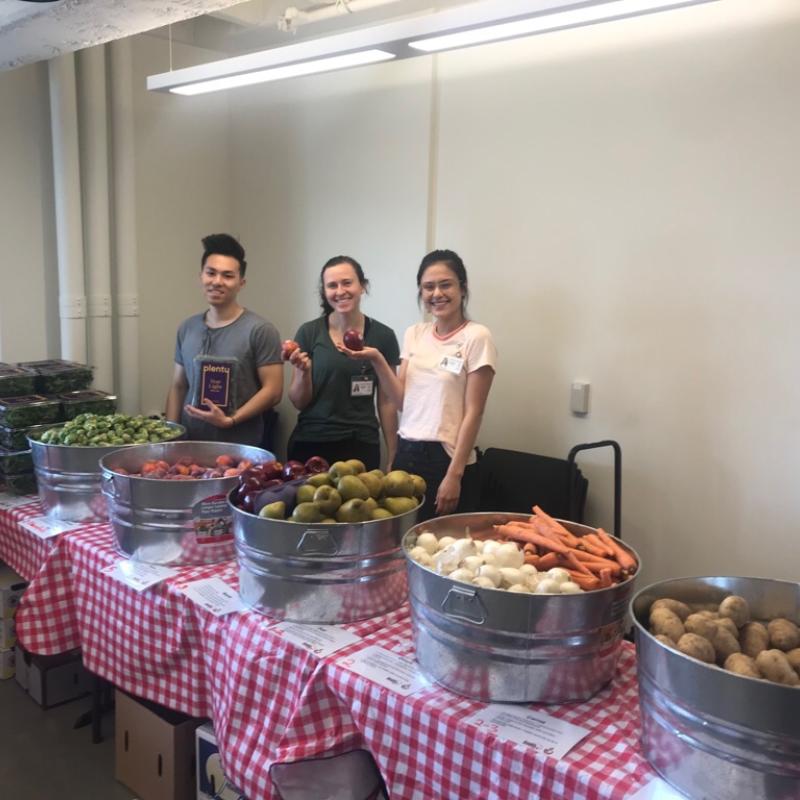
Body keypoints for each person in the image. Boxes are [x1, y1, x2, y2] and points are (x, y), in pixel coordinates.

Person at [338, 249, 496, 520]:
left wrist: (454, 475)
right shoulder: (415, 333)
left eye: (445, 284)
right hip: (407, 450)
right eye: (428, 287)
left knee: (442, 546)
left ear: (462, 287)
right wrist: (376, 359)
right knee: (400, 543)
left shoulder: (476, 336)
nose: (437, 293)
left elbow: (474, 412)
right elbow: (402, 401)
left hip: (447, 456)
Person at [165, 233, 283, 446]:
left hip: (241, 448)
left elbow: (273, 391)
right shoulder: (187, 328)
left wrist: (231, 420)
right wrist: (170, 437)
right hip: (189, 446)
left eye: (228, 276)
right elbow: (178, 385)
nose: (217, 282)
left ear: (241, 283)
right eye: (211, 273)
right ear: (201, 276)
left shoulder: (260, 330)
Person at [286, 255, 400, 471]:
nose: (340, 291)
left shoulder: (383, 336)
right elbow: (298, 402)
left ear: (362, 286)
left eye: (347, 283)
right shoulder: (309, 333)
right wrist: (303, 372)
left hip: (361, 443)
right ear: (325, 292)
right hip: (312, 441)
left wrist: (394, 453)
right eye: (332, 285)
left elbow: (387, 402)